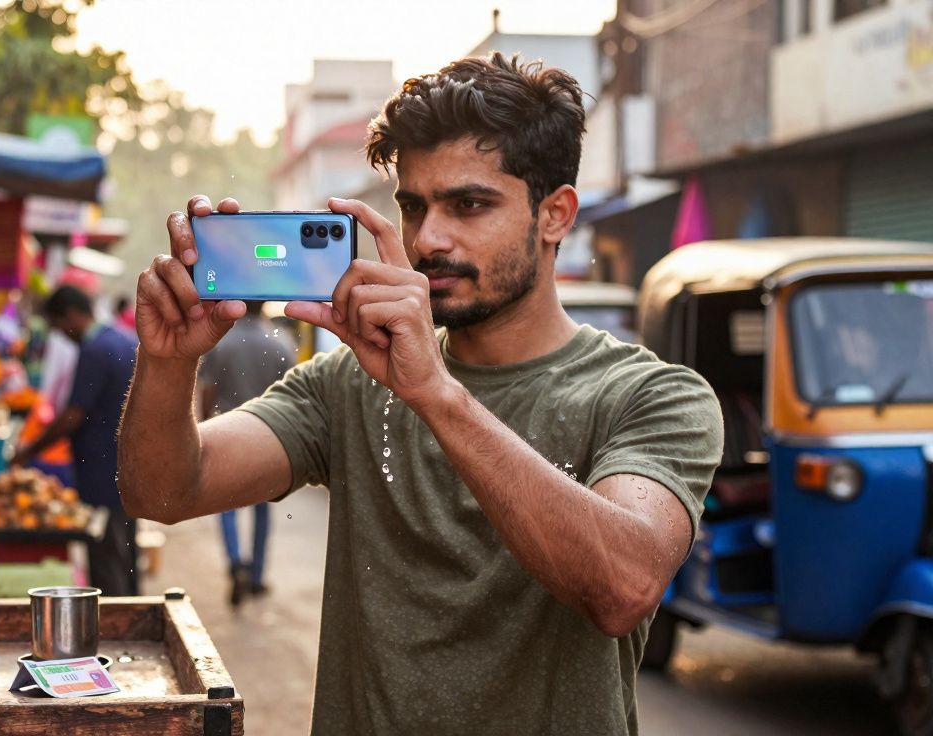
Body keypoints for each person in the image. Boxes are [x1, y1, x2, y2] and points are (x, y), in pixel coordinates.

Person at [118, 53, 723, 735]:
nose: (429, 239)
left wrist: (436, 394)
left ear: (554, 215)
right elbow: (161, 493)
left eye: (469, 204)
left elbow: (622, 589)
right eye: (414, 206)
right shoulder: (348, 383)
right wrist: (168, 362)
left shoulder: (651, 396)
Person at [13, 285, 140, 596]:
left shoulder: (95, 350)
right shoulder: (124, 340)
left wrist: (28, 451)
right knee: (125, 554)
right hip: (128, 468)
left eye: (58, 327)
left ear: (71, 315)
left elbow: (73, 414)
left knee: (107, 557)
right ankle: (133, 614)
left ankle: (116, 626)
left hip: (102, 471)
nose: (61, 336)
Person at [197, 301, 296, 606]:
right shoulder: (281, 342)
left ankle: (235, 561)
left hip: (227, 431)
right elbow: (292, 394)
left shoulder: (222, 342)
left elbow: (208, 390)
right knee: (263, 508)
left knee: (227, 505)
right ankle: (256, 576)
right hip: (270, 436)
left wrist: (204, 427)